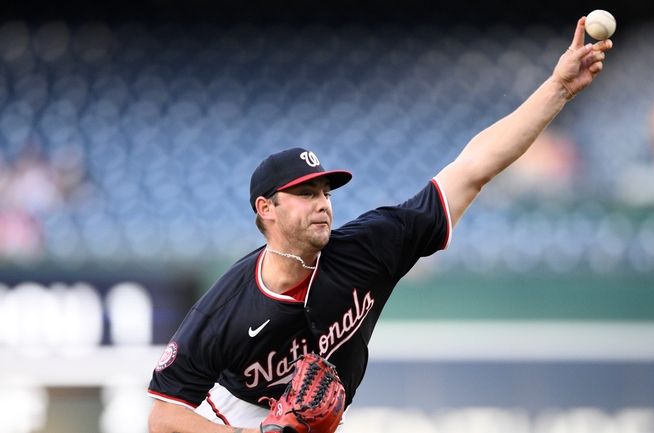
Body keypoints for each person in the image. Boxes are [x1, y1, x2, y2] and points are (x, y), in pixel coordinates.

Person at [147, 16, 613, 433]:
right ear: (266, 209)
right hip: (228, 418)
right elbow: (163, 415)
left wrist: (558, 88)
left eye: (326, 192)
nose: (323, 204)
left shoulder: (370, 246)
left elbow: (472, 169)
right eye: (306, 194)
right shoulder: (226, 308)